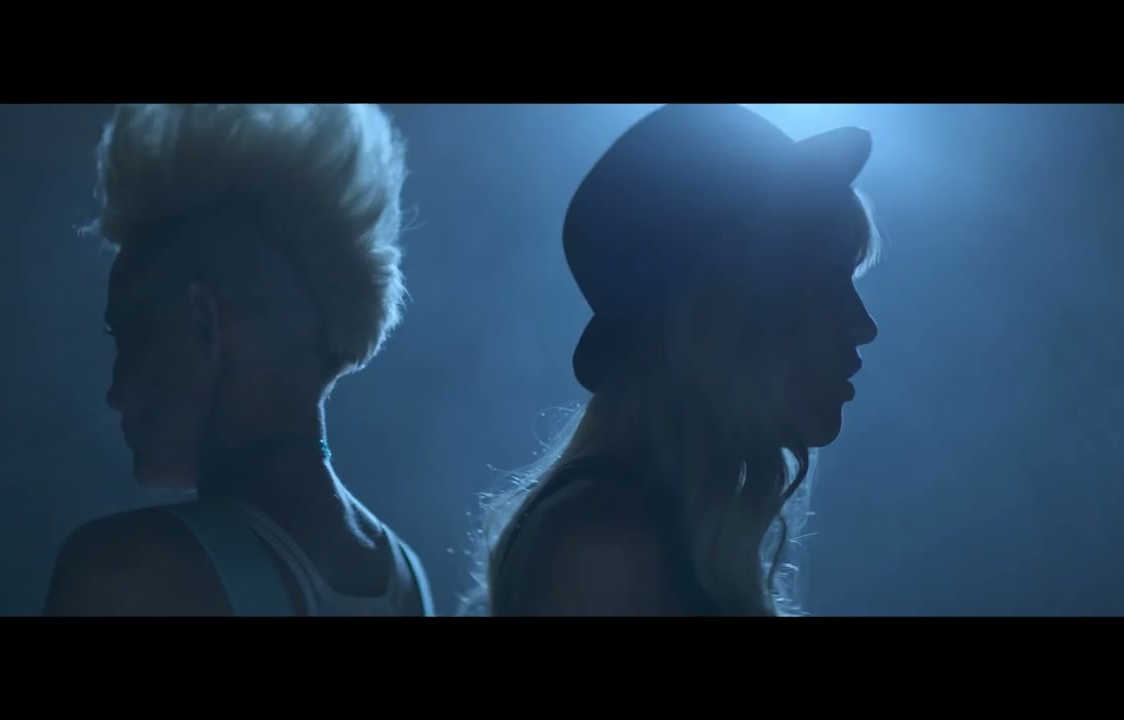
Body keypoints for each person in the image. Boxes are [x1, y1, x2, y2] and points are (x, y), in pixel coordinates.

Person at [464, 104, 882, 617]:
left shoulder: (662, 535)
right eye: (827, 282)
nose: (863, 325)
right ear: (725, 310)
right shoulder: (602, 550)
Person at [44, 104, 433, 616]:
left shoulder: (123, 571)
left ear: (205, 322)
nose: (115, 393)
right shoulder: (407, 577)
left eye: (130, 338)